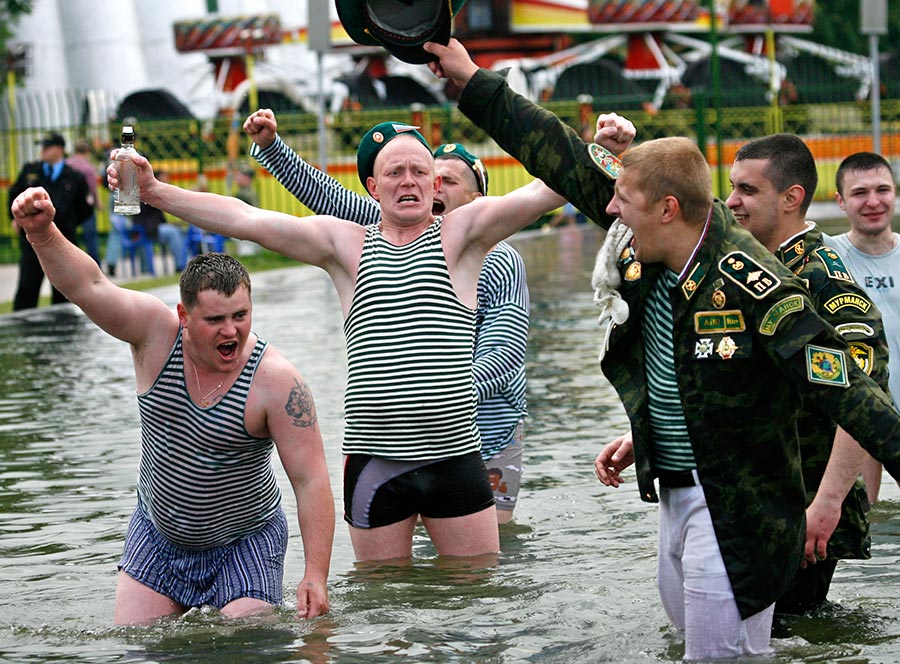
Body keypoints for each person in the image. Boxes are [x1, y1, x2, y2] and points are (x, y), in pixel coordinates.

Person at [425, 40, 900, 659]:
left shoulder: (759, 283)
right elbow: (563, 157)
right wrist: (469, 79)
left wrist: (829, 500)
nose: (608, 210)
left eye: (622, 201)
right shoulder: (658, 241)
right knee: (706, 644)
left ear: (668, 209)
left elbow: (857, 394)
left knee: (742, 646)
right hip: (679, 487)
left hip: (752, 500)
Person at [107, 121, 567, 562]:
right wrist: (155, 192)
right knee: (380, 599)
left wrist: (600, 153)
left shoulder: (464, 235)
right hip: (375, 463)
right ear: (373, 186)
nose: (408, 180)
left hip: (455, 455)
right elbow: (246, 219)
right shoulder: (345, 245)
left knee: (478, 596)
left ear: (434, 184)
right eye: (395, 172)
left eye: (419, 171)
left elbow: (540, 193)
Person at [243, 108, 589, 524]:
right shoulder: (393, 226)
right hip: (405, 432)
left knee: (495, 548)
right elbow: (328, 197)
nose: (417, 182)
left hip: (490, 427)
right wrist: (272, 148)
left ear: (479, 202)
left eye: (444, 179)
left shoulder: (500, 259)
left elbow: (506, 355)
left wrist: (433, 395)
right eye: (417, 173)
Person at [11, 186, 335, 625]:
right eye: (215, 320)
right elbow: (90, 286)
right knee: (137, 644)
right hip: (158, 534)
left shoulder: (276, 382)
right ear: (184, 316)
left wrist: (315, 575)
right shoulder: (154, 336)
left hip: (245, 541)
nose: (231, 331)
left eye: (240, 316)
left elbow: (311, 479)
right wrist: (42, 233)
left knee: (246, 641)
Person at [725, 134, 884, 617]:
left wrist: (829, 501)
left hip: (803, 503)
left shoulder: (822, 279)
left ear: (791, 197)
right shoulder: (754, 268)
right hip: (754, 493)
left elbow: (865, 400)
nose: (731, 202)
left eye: (747, 190)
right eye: (732, 188)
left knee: (788, 630)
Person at [829, 152, 900, 505]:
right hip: (857, 418)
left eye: (882, 190)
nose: (873, 202)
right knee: (865, 517)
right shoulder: (825, 258)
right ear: (840, 201)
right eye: (859, 193)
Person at [8, 132, 92, 310]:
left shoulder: (74, 176)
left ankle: (64, 326)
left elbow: (84, 209)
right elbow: (14, 195)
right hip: (32, 241)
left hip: (64, 240)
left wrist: (68, 224)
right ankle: (22, 325)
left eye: (47, 146)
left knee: (64, 292)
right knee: (27, 287)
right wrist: (15, 219)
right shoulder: (31, 171)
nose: (43, 150)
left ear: (59, 149)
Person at [66, 139, 101, 266]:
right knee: (90, 237)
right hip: (86, 206)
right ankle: (94, 264)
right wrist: (97, 203)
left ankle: (73, 264)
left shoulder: (67, 164)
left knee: (69, 237)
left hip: (69, 205)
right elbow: (92, 188)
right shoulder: (88, 168)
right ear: (87, 152)